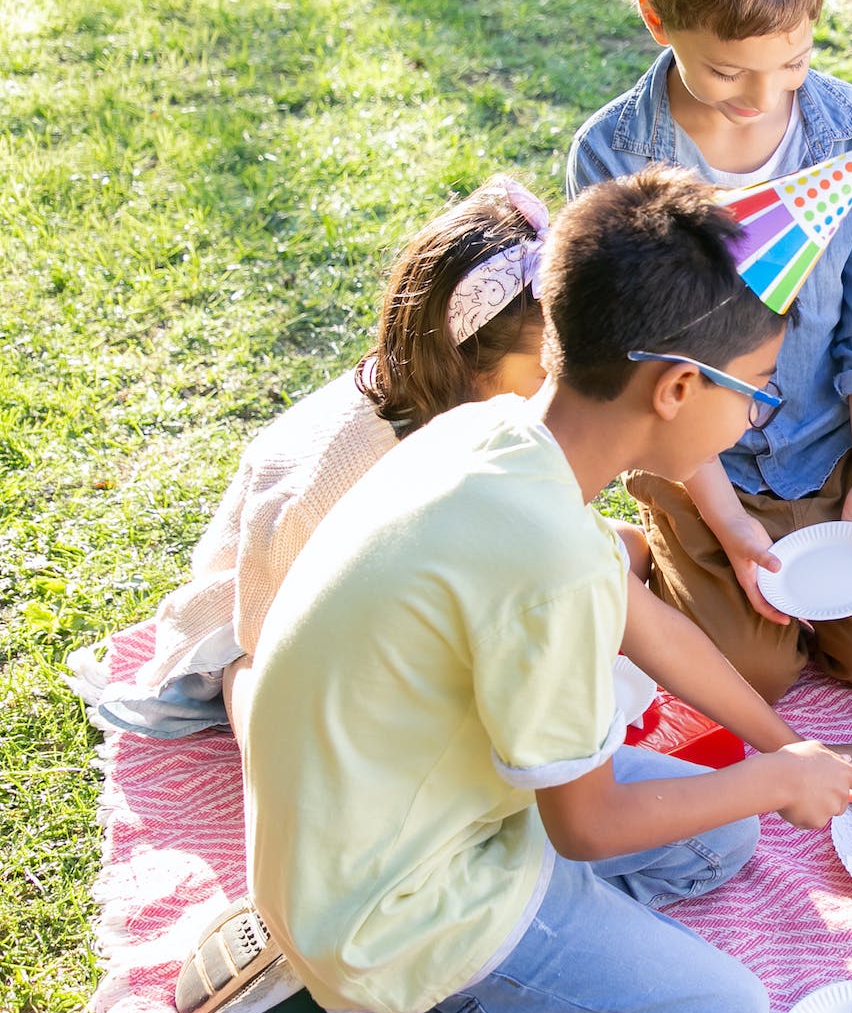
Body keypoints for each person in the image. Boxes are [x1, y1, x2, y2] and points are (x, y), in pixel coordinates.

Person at [129, 167, 852, 1013]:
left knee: (719, 838)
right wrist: (778, 782)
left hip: (379, 821)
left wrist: (781, 750)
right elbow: (590, 824)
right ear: (679, 387)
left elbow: (643, 627)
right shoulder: (551, 560)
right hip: (394, 894)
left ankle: (353, 946)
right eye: (758, 392)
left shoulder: (493, 431)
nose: (754, 417)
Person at [566, 0, 852, 703]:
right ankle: (656, 549)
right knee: (755, 673)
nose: (764, 97)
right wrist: (729, 525)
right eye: (728, 70)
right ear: (658, 21)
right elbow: (641, 374)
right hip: (706, 466)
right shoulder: (613, 156)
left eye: (794, 62)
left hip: (831, 448)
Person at [83, 176, 553, 744]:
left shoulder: (462, 406)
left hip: (382, 593)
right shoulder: (344, 476)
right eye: (546, 370)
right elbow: (269, 620)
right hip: (265, 610)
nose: (559, 387)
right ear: (470, 364)